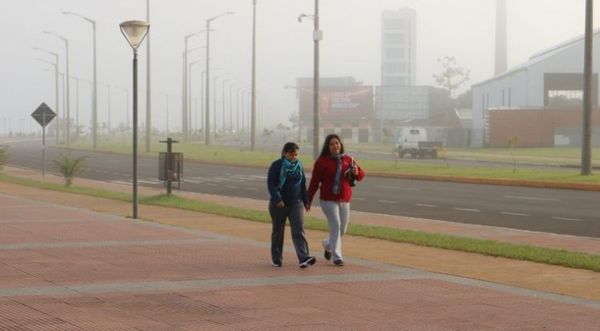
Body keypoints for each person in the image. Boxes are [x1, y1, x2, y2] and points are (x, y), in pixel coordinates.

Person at [307, 134, 365, 266]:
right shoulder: (321, 162)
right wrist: (308, 198)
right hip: (328, 200)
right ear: (328, 147)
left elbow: (361, 175)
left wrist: (356, 171)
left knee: (342, 230)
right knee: (336, 226)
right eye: (332, 144)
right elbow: (314, 182)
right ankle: (337, 256)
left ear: (341, 145)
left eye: (337, 143)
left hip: (345, 199)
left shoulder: (348, 159)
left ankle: (327, 244)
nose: (335, 146)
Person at [267, 142, 316, 268]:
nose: (293, 157)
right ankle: (276, 259)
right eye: (291, 154)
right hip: (279, 205)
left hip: (296, 203)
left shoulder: (299, 166)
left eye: (295, 154)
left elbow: (302, 184)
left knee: (298, 230)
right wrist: (277, 199)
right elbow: (271, 184)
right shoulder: (276, 166)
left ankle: (304, 257)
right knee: (278, 231)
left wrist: (306, 201)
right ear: (284, 153)